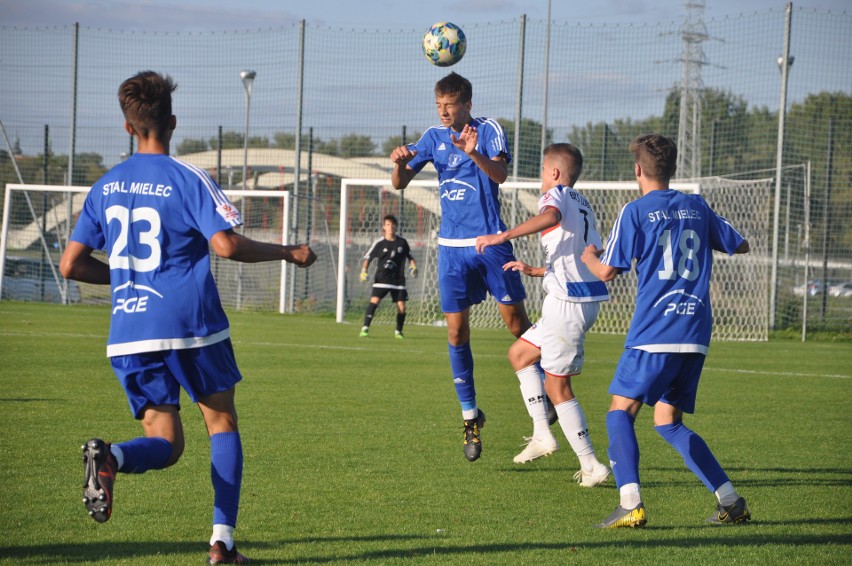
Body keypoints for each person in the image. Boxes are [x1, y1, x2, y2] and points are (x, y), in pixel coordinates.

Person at [59, 71, 317, 564]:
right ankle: (222, 543)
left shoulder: (104, 186)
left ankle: (111, 457)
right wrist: (287, 252)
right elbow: (224, 243)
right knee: (221, 423)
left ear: (127, 127)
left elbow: (70, 265)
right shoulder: (188, 177)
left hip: (129, 330)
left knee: (166, 442)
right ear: (171, 122)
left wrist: (129, 279)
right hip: (189, 321)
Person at [580, 133, 751, 528]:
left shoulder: (635, 211)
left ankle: (630, 503)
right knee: (667, 421)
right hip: (694, 332)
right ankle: (730, 500)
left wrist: (589, 254)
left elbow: (607, 271)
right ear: (672, 170)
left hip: (655, 329)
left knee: (619, 412)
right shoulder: (697, 206)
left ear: (637, 170)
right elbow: (740, 245)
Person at [390, 72, 531, 462]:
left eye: (449, 105)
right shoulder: (432, 138)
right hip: (451, 249)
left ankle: (545, 397)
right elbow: (399, 183)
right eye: (438, 105)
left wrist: (472, 152)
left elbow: (501, 176)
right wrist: (400, 163)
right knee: (455, 331)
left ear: (467, 103)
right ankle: (470, 417)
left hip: (490, 243)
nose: (443, 112)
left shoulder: (489, 130)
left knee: (518, 326)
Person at [475, 143, 610, 486]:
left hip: (569, 303)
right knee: (519, 353)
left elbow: (549, 218)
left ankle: (591, 464)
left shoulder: (556, 195)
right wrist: (536, 270)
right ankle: (541, 434)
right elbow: (583, 250)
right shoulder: (583, 203)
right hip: (571, 296)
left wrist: (501, 236)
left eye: (541, 172)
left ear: (553, 172)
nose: (540, 180)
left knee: (557, 386)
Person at [358, 214, 417, 339]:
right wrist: (363, 271)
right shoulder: (379, 243)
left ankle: (398, 331)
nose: (391, 227)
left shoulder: (402, 242)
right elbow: (368, 258)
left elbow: (410, 258)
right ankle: (365, 328)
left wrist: (413, 267)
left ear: (396, 226)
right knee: (374, 301)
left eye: (393, 225)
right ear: (384, 227)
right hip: (382, 279)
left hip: (398, 280)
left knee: (401, 307)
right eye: (388, 225)